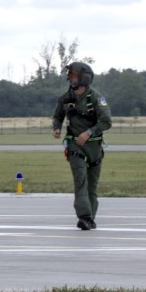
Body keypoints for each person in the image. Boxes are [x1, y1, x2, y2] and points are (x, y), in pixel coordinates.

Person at [50, 61, 112, 230]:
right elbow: (58, 116)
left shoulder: (97, 98)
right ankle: (84, 216)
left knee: (92, 186)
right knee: (80, 181)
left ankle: (90, 218)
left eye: (73, 74)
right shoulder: (65, 98)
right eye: (69, 74)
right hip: (75, 146)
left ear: (83, 77)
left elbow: (106, 121)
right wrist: (56, 128)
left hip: (94, 147)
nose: (69, 77)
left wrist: (90, 132)